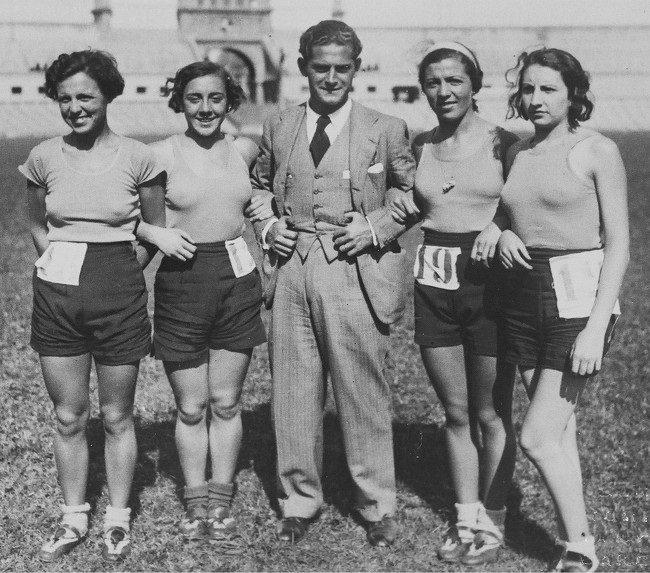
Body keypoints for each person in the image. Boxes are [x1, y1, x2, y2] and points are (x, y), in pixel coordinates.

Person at [250, 20, 415, 546]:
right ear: (302, 68)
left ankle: (376, 502)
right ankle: (300, 498)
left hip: (353, 269)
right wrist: (270, 225)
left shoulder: (385, 127)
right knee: (294, 388)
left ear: (356, 69)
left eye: (342, 68)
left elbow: (412, 195)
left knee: (360, 386)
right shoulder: (279, 125)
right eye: (320, 67)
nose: (331, 77)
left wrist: (374, 227)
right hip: (293, 266)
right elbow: (256, 190)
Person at [21, 50, 166, 562]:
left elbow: (153, 226)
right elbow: (36, 220)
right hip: (58, 294)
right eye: (65, 98)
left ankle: (119, 518)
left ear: (108, 96)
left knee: (116, 415)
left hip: (117, 290)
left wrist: (127, 272)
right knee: (67, 416)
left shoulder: (139, 156)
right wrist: (53, 261)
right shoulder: (42, 156)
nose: (76, 107)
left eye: (86, 96)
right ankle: (73, 516)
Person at [497, 48, 629, 572]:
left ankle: (582, 550)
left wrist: (596, 328)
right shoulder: (518, 153)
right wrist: (500, 229)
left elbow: (619, 244)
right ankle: (579, 541)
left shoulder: (598, 151)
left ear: (574, 94)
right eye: (528, 89)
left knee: (537, 435)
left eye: (548, 89)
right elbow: (508, 210)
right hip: (523, 295)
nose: (535, 100)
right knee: (560, 431)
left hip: (578, 301)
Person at [389, 42, 518, 566]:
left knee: (491, 411)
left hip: (490, 284)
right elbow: (411, 207)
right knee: (456, 411)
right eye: (434, 83)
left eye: (454, 81)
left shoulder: (505, 143)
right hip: (435, 283)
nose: (443, 92)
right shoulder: (420, 145)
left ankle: (494, 520)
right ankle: (466, 518)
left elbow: (523, 205)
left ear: (475, 84)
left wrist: (499, 224)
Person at [135, 61, 274, 542]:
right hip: (182, 284)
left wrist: (266, 206)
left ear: (230, 99)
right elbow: (122, 212)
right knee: (191, 407)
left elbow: (265, 193)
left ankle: (221, 499)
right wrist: (155, 232)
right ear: (179, 101)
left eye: (215, 98)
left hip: (237, 283)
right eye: (194, 98)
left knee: (227, 401)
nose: (205, 108)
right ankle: (195, 503)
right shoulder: (158, 155)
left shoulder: (245, 149)